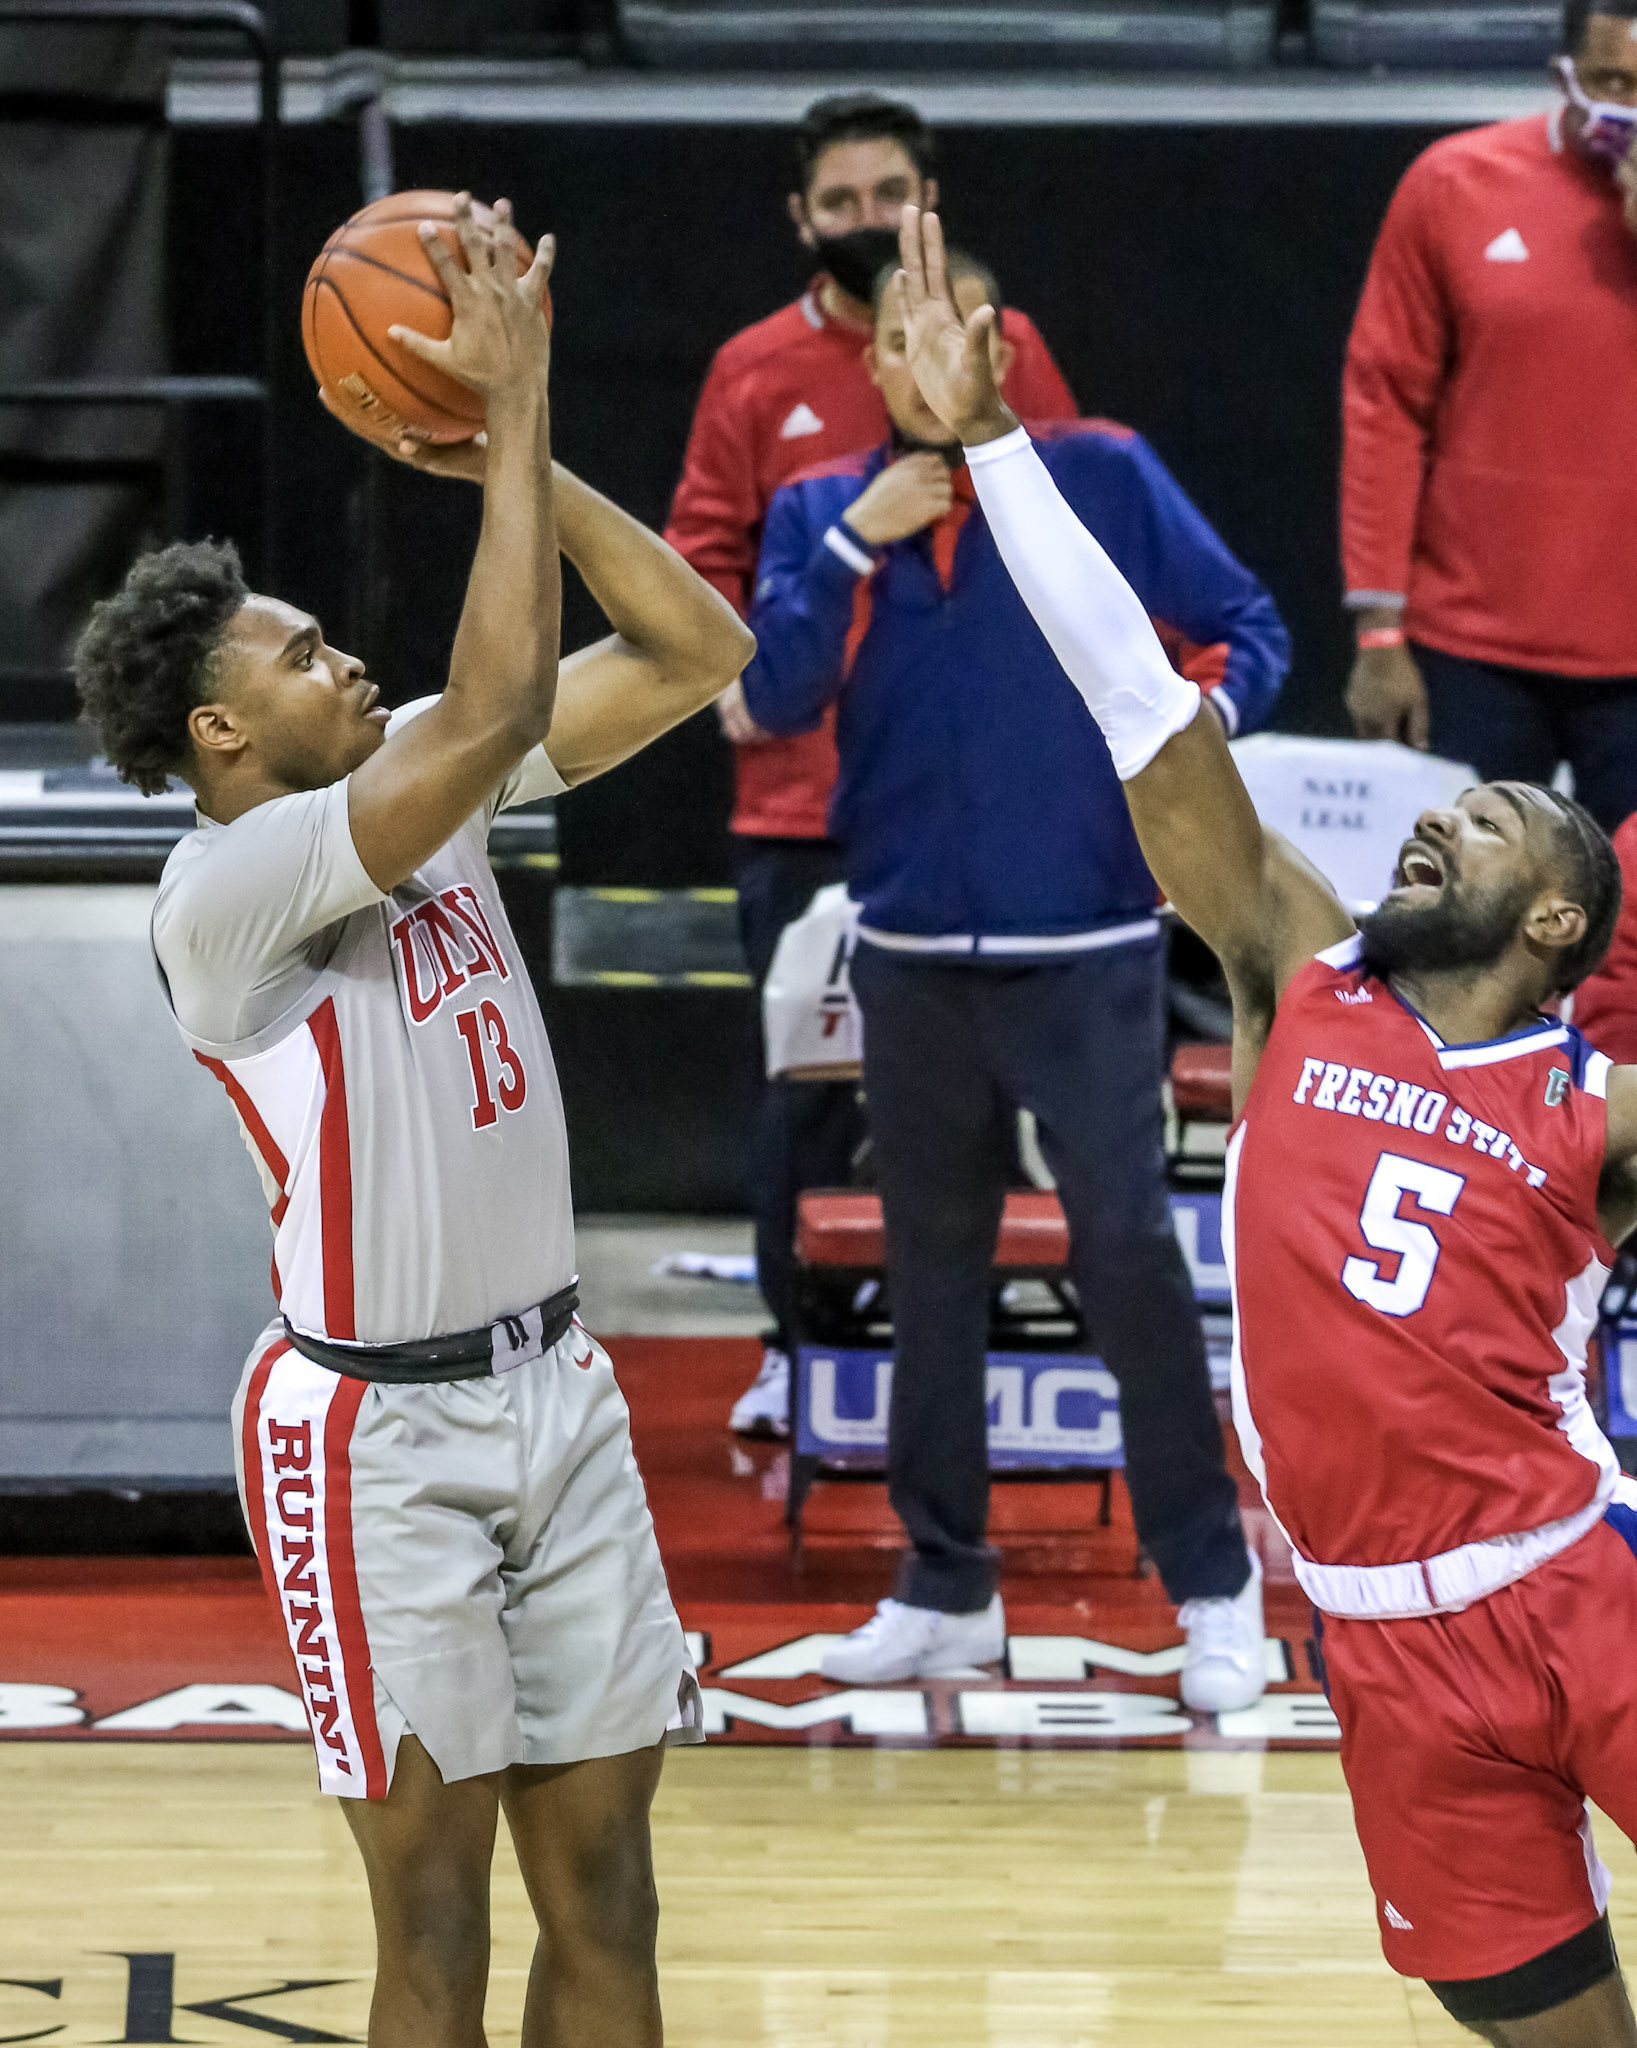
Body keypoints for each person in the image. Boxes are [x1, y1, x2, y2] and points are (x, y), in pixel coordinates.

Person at [896, 201, 1637, 2045]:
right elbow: (1138, 703)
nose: (1434, 818)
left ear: (1559, 918)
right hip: (1378, 1639)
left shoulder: (1596, 1113)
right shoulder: (1299, 974)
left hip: (1579, 1587)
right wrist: (991, 447)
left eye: (1485, 821)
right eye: (1442, 809)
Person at [73, 198, 754, 2048]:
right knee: (435, 1923)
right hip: (375, 1430)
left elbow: (695, 645)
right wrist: (509, 413)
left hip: (561, 1390)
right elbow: (505, 698)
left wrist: (505, 457)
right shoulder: (228, 893)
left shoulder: (418, 784)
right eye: (302, 657)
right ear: (220, 734)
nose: (349, 665)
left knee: (611, 1895)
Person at [741, 248, 1289, 1706]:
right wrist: (847, 545)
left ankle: (1213, 1585)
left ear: (995, 344)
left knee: (1126, 1255)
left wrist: (1192, 742)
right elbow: (772, 696)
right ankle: (943, 1584)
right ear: (870, 366)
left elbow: (1252, 630)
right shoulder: (815, 505)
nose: (920, 355)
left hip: (1089, 949)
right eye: (894, 337)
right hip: (908, 957)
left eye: (947, 329)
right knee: (929, 1276)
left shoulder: (1097, 476)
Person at [664, 92, 1078, 1438]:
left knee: (992, 1088)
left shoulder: (1004, 342)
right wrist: (732, 677)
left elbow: (1062, 522)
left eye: (888, 195)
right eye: (839, 201)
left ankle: (982, 1358)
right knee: (806, 1092)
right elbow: (698, 557)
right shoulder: (751, 372)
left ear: (927, 200)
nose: (865, 220)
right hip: (804, 809)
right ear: (800, 218)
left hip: (972, 800)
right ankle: (796, 1353)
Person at [1342, 0, 1637, 829]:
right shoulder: (1452, 183)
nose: (1632, 108)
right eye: (1613, 82)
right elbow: (1382, 407)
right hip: (1471, 652)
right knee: (1465, 901)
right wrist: (1377, 634)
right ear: (1562, 77)